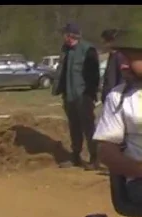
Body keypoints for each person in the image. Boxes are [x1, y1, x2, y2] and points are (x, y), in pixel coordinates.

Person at [93, 29, 142, 203]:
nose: (123, 66)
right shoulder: (118, 98)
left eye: (130, 59)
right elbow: (107, 152)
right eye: (122, 59)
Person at [52, 23, 101, 170]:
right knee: (74, 127)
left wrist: (90, 94)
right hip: (69, 95)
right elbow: (62, 72)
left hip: (83, 96)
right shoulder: (65, 50)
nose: (63, 37)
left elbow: (94, 75)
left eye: (65, 34)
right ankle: (75, 156)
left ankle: (95, 158)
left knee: (89, 128)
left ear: (70, 35)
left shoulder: (88, 50)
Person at [101, 29, 127, 103]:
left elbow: (122, 80)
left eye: (104, 41)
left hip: (115, 99)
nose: (103, 44)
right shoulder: (111, 56)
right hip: (108, 98)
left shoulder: (120, 57)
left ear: (111, 41)